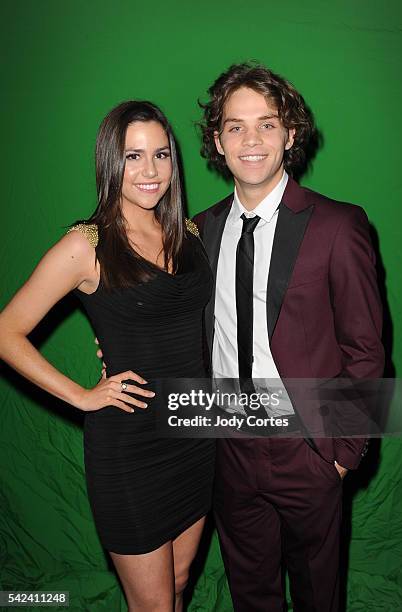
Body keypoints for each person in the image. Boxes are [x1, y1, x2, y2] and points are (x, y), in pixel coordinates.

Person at [0, 100, 215, 612]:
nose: (150, 171)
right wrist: (81, 395)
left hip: (195, 435)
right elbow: (7, 331)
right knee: (154, 604)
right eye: (133, 156)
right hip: (131, 446)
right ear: (109, 163)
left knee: (181, 581)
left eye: (161, 155)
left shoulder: (188, 234)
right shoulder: (86, 244)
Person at [192, 63, 385, 611]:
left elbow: (365, 347)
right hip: (227, 441)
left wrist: (344, 452)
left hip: (309, 443)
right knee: (250, 592)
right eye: (235, 126)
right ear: (217, 139)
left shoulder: (338, 225)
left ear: (290, 135)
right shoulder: (199, 231)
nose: (251, 140)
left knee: (317, 592)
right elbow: (182, 325)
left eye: (267, 125)